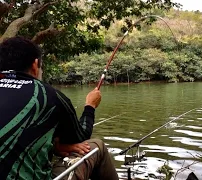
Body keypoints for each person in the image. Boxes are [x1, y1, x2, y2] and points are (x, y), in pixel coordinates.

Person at [0, 36, 119, 180]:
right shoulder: (49, 95)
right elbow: (81, 138)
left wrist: (56, 146)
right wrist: (90, 106)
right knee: (96, 147)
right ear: (35, 64)